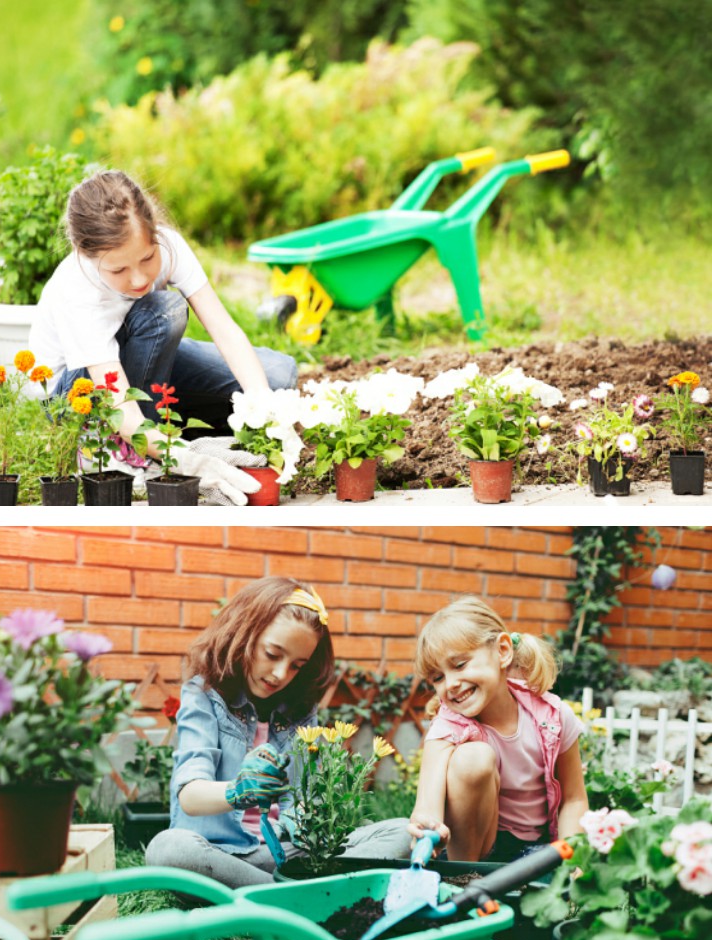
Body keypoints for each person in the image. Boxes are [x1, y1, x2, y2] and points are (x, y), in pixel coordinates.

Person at [29, 169, 297, 504]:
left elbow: (224, 330)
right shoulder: (78, 290)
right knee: (163, 311)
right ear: (85, 254)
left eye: (147, 258)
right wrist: (187, 462)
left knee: (277, 378)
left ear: (155, 233)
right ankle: (111, 446)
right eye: (118, 270)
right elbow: (120, 407)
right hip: (77, 391)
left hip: (138, 359)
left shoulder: (170, 246)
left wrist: (266, 411)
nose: (139, 278)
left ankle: (165, 437)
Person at [146, 578, 413, 888]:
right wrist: (238, 790)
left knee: (404, 832)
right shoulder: (204, 697)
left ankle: (276, 894)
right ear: (244, 635)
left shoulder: (299, 710)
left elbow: (299, 801)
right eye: (273, 654)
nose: (280, 674)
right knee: (167, 850)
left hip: (284, 853)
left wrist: (315, 818)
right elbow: (190, 795)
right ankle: (303, 893)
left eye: (297, 665)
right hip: (219, 854)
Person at [410, 595, 588, 862]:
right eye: (438, 678)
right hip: (477, 848)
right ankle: (462, 878)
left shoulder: (552, 716)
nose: (451, 683)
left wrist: (573, 864)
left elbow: (573, 799)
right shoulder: (447, 726)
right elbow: (427, 801)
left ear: (502, 651)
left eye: (460, 665)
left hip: (536, 847)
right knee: (473, 757)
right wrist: (426, 825)